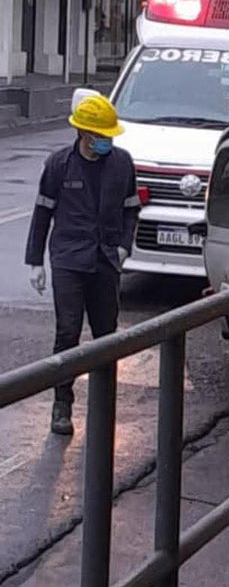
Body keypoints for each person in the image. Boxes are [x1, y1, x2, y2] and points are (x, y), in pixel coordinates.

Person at [24, 95, 140, 436]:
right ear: (85, 134)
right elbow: (42, 212)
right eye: (101, 136)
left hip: (105, 260)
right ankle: (62, 404)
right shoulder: (59, 165)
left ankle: (103, 405)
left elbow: (131, 208)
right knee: (68, 332)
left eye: (109, 136)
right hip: (68, 259)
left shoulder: (122, 163)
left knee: (106, 334)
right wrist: (35, 262)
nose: (107, 141)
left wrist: (124, 246)